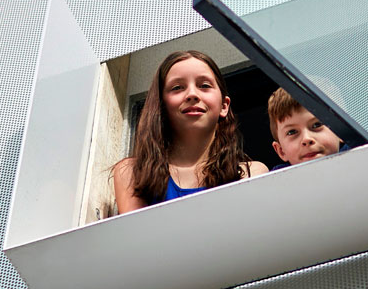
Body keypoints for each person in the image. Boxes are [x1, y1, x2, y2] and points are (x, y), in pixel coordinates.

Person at [113, 51, 268, 211]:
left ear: (224, 106)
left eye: (204, 86)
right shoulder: (132, 173)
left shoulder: (250, 175)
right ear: (161, 105)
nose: (192, 94)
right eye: (177, 87)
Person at [267, 87, 350, 167]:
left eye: (317, 125)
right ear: (281, 151)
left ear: (341, 131)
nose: (306, 139)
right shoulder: (272, 179)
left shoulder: (361, 154)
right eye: (292, 132)